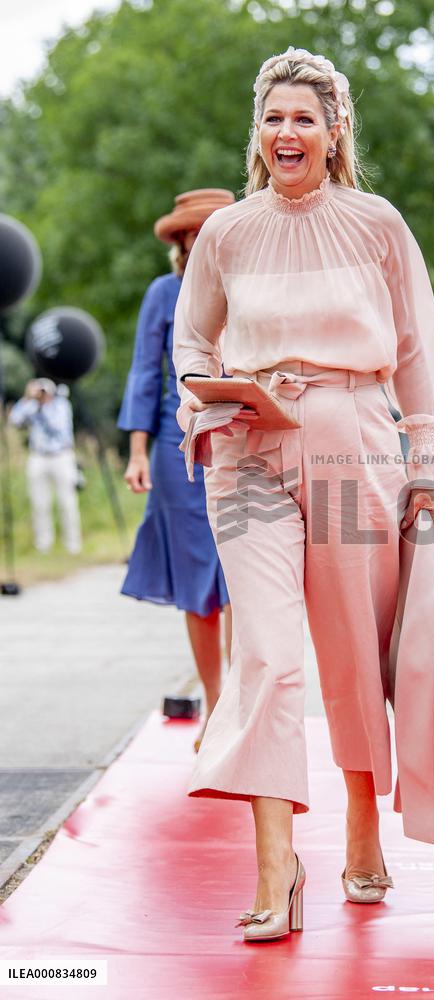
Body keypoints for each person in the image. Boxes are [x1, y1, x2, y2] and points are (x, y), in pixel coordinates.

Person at [173, 47, 434, 941]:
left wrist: (424, 461)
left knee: (346, 649)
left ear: (335, 134)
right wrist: (201, 409)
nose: (287, 132)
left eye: (305, 118)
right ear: (257, 135)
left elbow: (413, 348)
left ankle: (364, 835)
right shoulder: (225, 234)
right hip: (249, 455)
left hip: (346, 452)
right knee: (265, 651)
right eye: (274, 118)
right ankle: (275, 868)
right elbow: (192, 342)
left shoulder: (377, 224)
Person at [118, 189, 235, 751]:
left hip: (242, 439)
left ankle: (242, 701)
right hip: (176, 449)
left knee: (243, 572)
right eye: (195, 230)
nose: (203, 237)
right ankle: (215, 705)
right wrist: (138, 452)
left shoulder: (249, 286)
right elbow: (145, 373)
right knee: (198, 582)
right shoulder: (162, 294)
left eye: (213, 227)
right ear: (184, 241)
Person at [10, 378, 81, 554]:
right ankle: (43, 544)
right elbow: (15, 420)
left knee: (67, 501)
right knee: (40, 503)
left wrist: (42, 407)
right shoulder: (31, 405)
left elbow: (57, 426)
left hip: (61, 456)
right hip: (38, 456)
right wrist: (27, 399)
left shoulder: (61, 405)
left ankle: (73, 544)